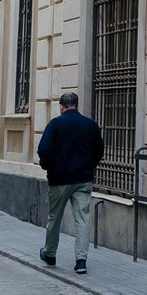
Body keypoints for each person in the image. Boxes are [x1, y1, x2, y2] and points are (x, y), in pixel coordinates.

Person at [35, 91, 104, 274]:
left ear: (61, 107)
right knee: (82, 219)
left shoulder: (55, 124)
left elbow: (43, 150)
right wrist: (90, 166)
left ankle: (50, 254)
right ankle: (81, 261)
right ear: (77, 106)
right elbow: (99, 151)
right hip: (83, 179)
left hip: (59, 180)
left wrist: (48, 166)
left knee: (54, 218)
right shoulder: (91, 125)